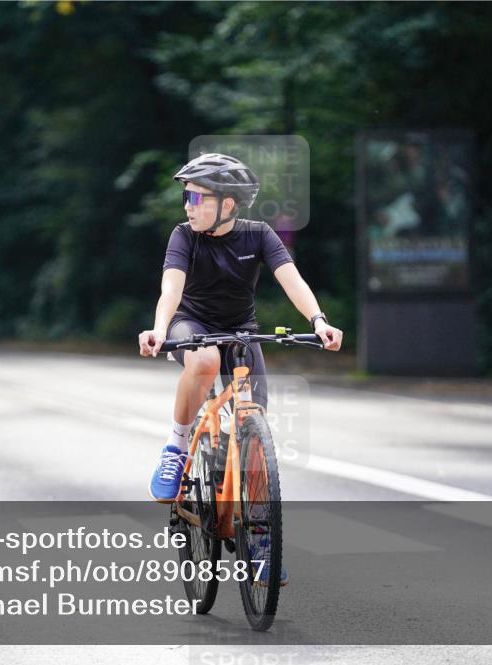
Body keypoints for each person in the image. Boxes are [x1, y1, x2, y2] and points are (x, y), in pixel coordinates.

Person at [138, 153, 343, 584]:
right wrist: (159, 331)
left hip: (241, 332)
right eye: (185, 196)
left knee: (255, 431)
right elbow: (170, 289)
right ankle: (176, 448)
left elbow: (292, 279)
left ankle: (262, 544)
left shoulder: (259, 235)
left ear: (228, 204)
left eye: (196, 197)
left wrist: (319, 322)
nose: (187, 205)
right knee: (207, 360)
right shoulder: (184, 237)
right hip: (191, 326)